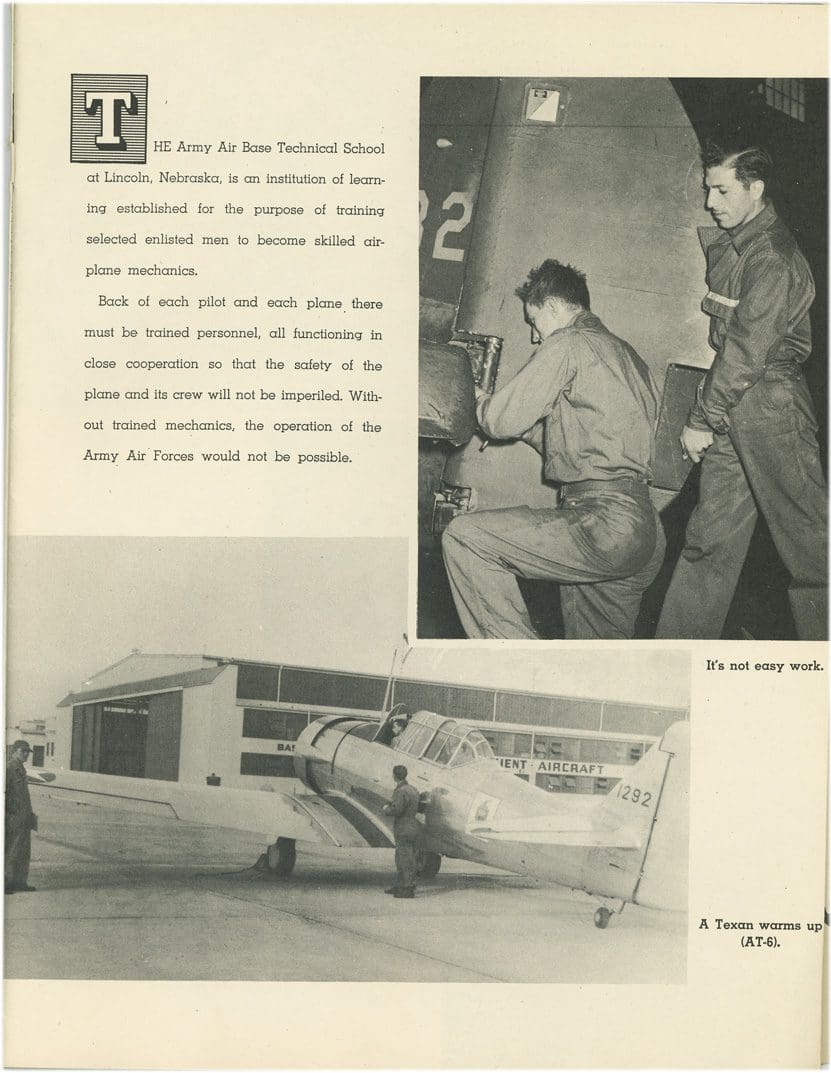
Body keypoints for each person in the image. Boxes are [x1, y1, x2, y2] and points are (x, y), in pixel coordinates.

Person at [442, 259, 665, 639]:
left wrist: (478, 401)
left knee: (465, 538)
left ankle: (522, 666)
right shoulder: (627, 357)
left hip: (602, 522)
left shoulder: (569, 344)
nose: (534, 336)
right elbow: (588, 441)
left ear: (553, 308)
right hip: (643, 530)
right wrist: (526, 431)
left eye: (533, 322)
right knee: (593, 660)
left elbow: (500, 420)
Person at [656, 144, 827, 639]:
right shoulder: (741, 248)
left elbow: (746, 354)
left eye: (722, 189)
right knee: (710, 542)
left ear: (756, 190)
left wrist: (701, 419)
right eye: (708, 188)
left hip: (771, 407)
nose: (711, 200)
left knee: (813, 553)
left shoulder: (770, 257)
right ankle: (677, 653)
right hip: (738, 405)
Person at [382, 764, 421, 898]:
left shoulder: (401, 791)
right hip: (413, 825)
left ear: (394, 776)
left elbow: (397, 810)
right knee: (403, 857)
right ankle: (400, 885)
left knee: (404, 858)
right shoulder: (413, 789)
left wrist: (386, 809)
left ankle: (407, 888)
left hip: (403, 827)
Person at [5, 740, 37, 894]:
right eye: (22, 751)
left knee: (24, 851)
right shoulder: (9, 769)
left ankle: (20, 882)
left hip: (24, 817)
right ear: (14, 751)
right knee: (12, 850)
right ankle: (6, 883)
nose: (26, 754)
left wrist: (29, 814)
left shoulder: (21, 769)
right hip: (13, 817)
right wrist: (9, 812)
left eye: (27, 752)